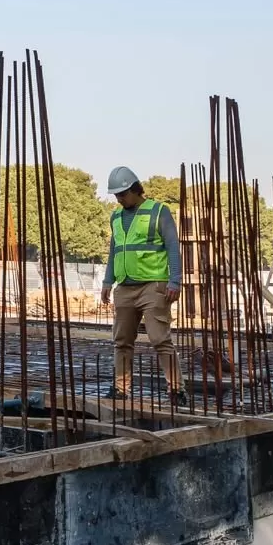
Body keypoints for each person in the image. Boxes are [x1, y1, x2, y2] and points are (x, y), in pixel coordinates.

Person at [98, 166, 186, 404]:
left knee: (160, 339)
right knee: (122, 340)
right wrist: (108, 280)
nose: (119, 199)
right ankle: (121, 389)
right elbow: (115, 250)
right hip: (125, 287)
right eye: (116, 195)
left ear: (135, 189)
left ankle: (177, 390)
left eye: (123, 194)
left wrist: (174, 281)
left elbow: (172, 247)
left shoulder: (159, 211)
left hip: (153, 286)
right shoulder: (115, 216)